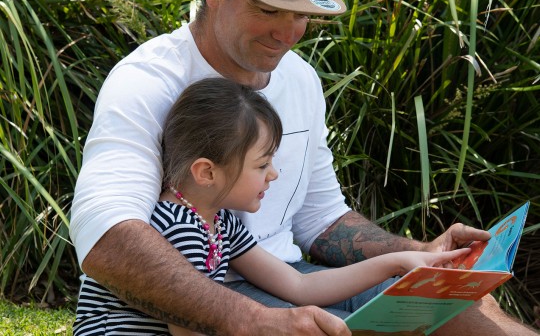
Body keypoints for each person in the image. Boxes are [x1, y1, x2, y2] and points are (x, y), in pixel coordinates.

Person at [69, 0, 538, 335]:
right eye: (269, 9)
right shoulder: (146, 82)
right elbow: (105, 235)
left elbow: (322, 220)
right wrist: (250, 320)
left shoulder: (301, 80)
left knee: (460, 304)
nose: (289, 32)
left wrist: (420, 254)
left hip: (283, 276)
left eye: (301, 14)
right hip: (207, 300)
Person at [73, 77, 471, 335]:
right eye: (262, 165)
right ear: (206, 172)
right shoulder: (177, 225)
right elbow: (189, 331)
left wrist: (398, 262)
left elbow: (299, 286)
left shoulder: (221, 224)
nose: (274, 175)